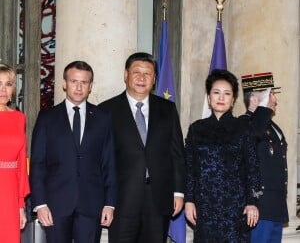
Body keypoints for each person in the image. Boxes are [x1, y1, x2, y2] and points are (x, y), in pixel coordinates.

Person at [98, 52, 186, 243]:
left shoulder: (167, 109)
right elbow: (101, 159)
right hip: (122, 199)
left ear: (154, 79)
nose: (141, 78)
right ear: (125, 75)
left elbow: (177, 154)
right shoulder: (106, 110)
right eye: (136, 72)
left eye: (148, 74)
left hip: (158, 198)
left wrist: (178, 192)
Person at [29, 60, 117, 243]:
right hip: (55, 205)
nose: (78, 87)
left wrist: (110, 203)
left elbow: (109, 163)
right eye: (73, 81)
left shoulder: (103, 118)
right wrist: (40, 203)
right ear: (64, 84)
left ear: (90, 86)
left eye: (84, 82)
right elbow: (38, 163)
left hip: (92, 205)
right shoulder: (47, 118)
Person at [185, 69, 261, 243]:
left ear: (233, 100)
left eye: (227, 94)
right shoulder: (196, 129)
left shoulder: (243, 128)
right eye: (216, 93)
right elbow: (190, 168)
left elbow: (253, 168)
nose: (221, 98)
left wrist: (252, 202)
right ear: (209, 98)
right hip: (204, 208)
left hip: (236, 209)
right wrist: (189, 200)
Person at [240, 72, 288, 243]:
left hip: (275, 206)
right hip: (259, 207)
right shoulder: (245, 124)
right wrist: (259, 109)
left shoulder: (272, 126)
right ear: (254, 99)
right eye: (271, 94)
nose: (275, 100)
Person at [0, 63, 30, 242]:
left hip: (10, 195)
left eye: (8, 84)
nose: (3, 89)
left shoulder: (19, 118)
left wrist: (20, 206)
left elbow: (20, 164)